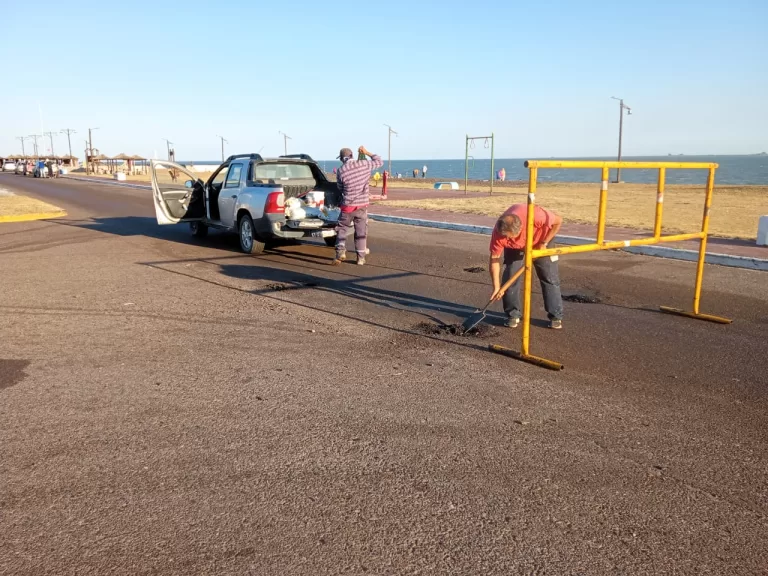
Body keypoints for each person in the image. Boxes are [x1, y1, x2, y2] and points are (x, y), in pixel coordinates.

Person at [488, 204, 564, 329]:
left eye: (510, 237)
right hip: (516, 248)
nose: (506, 239)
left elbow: (558, 221)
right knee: (510, 275)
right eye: (505, 237)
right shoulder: (499, 232)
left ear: (521, 228)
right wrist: (496, 287)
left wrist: (544, 242)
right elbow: (494, 259)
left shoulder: (536, 216)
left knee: (549, 277)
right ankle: (513, 315)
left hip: (542, 240)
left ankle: (556, 315)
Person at [333, 145, 383, 266]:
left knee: (342, 228)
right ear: (351, 156)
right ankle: (360, 258)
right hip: (361, 205)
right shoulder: (364, 164)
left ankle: (340, 252)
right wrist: (367, 152)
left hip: (347, 206)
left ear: (342, 159)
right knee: (360, 231)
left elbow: (340, 188)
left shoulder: (341, 170)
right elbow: (379, 161)